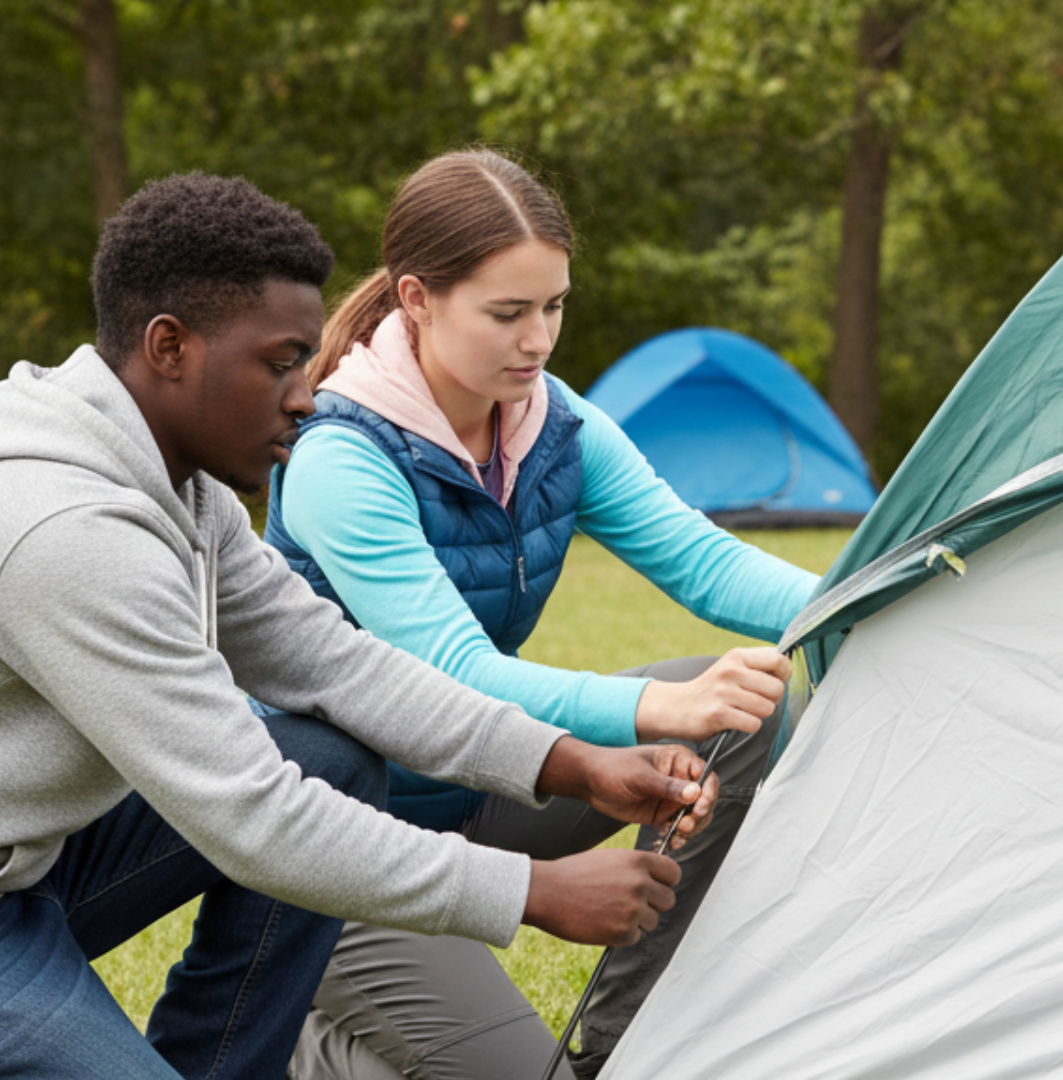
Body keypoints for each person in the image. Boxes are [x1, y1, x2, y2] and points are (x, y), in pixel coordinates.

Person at [0, 173, 727, 1080]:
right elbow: (253, 818)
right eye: (279, 361)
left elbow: (337, 665)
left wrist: (569, 763)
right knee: (291, 783)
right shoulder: (64, 531)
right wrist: (532, 890)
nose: (307, 397)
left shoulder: (186, 497)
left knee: (332, 748)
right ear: (169, 348)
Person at [261, 150, 821, 1080]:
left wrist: (870, 597)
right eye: (508, 313)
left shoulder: (552, 425)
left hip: (487, 788)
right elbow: (453, 674)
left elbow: (700, 559)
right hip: (347, 843)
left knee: (746, 714)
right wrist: (653, 713)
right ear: (417, 299)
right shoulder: (340, 460)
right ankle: (297, 1046)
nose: (538, 340)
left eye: (553, 306)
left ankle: (617, 1046)